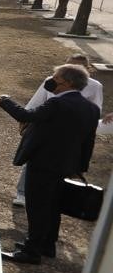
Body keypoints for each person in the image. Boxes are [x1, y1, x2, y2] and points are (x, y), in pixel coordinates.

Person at [0, 63, 99, 265]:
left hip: (43, 163)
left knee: (37, 206)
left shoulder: (57, 104)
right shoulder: (91, 109)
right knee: (53, 205)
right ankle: (47, 245)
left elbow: (26, 116)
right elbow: (88, 141)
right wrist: (79, 167)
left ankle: (31, 251)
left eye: (55, 77)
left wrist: (5, 101)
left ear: (66, 82)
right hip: (65, 166)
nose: (51, 80)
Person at [13, 54, 103, 206]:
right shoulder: (52, 81)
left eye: (76, 67)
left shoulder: (95, 86)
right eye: (68, 65)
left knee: (57, 169)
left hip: (70, 135)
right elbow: (36, 103)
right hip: (45, 129)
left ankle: (50, 199)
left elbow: (94, 111)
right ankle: (22, 193)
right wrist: (25, 120)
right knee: (34, 159)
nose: (70, 69)